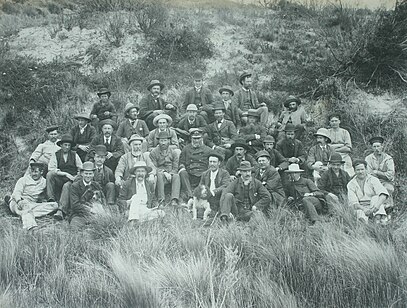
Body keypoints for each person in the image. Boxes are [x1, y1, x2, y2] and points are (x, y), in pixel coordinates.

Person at [7, 162, 58, 230]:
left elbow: (47, 194)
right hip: (18, 202)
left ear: (41, 172)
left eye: (36, 172)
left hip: (32, 204)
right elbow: (16, 193)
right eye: (32, 171)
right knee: (25, 206)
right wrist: (19, 201)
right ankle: (31, 227)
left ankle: (23, 214)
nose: (33, 174)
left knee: (54, 205)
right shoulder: (23, 180)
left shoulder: (44, 182)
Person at [47, 134, 83, 220]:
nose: (67, 147)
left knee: (67, 186)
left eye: (69, 145)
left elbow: (81, 168)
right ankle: (51, 201)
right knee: (49, 175)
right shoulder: (56, 154)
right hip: (61, 177)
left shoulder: (74, 155)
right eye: (65, 145)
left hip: (72, 179)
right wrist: (65, 174)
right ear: (61, 145)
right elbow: (51, 168)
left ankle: (61, 210)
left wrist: (76, 177)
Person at [347, 160, 390, 224]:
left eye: (362, 169)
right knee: (361, 220)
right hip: (361, 206)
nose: (360, 172)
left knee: (375, 198)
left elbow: (383, 194)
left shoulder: (373, 179)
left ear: (366, 169)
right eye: (358, 170)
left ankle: (380, 221)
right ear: (354, 171)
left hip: (374, 205)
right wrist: (364, 209)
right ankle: (366, 224)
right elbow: (353, 202)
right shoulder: (351, 184)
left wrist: (377, 206)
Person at [178, 128, 212, 201]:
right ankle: (190, 196)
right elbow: (181, 162)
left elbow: (212, 163)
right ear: (191, 139)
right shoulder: (186, 149)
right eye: (194, 138)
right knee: (182, 172)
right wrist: (182, 167)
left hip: (202, 173)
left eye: (198, 138)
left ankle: (201, 195)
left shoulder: (208, 150)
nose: (196, 141)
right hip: (190, 173)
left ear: (202, 138)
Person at [69, 162, 105, 229]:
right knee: (74, 227)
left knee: (103, 226)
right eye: (86, 173)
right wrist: (91, 210)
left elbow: (103, 199)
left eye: (90, 174)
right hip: (79, 214)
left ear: (93, 174)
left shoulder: (96, 185)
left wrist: (101, 209)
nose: (88, 176)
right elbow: (75, 205)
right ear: (82, 174)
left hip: (95, 214)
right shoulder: (75, 186)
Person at [149, 131, 181, 206]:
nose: (163, 143)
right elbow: (154, 167)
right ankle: (161, 200)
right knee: (159, 175)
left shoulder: (173, 152)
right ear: (158, 141)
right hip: (160, 173)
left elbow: (175, 167)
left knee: (176, 176)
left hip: (171, 173)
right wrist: (164, 172)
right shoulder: (154, 152)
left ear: (169, 141)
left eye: (165, 140)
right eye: (161, 140)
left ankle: (174, 199)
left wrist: (171, 173)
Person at [365, 136, 395, 206]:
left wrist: (377, 172)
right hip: (373, 182)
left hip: (386, 182)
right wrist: (382, 175)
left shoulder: (388, 159)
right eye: (374, 147)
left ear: (382, 146)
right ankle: (375, 209)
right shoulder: (368, 158)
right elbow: (369, 173)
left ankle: (388, 208)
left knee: (388, 188)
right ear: (372, 148)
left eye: (378, 146)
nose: (376, 149)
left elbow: (390, 175)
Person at [92, 145, 116, 209]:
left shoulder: (109, 171)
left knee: (111, 184)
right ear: (94, 157)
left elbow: (112, 183)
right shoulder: (89, 168)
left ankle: (110, 205)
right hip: (91, 191)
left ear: (105, 159)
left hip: (104, 192)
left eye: (102, 157)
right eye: (98, 157)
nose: (99, 159)